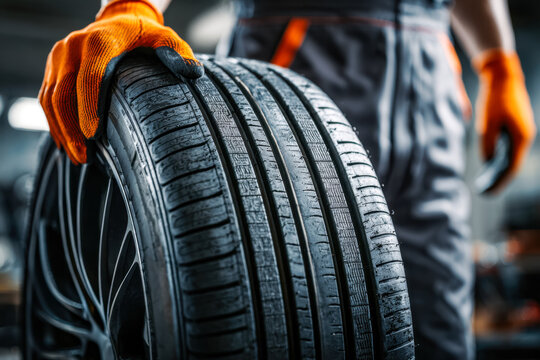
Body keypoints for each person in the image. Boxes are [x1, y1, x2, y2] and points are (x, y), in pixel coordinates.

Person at [38, 0, 536, 358]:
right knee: (282, 321)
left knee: (440, 329)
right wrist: (132, 4)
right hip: (299, 58)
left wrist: (497, 60)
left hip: (433, 76)